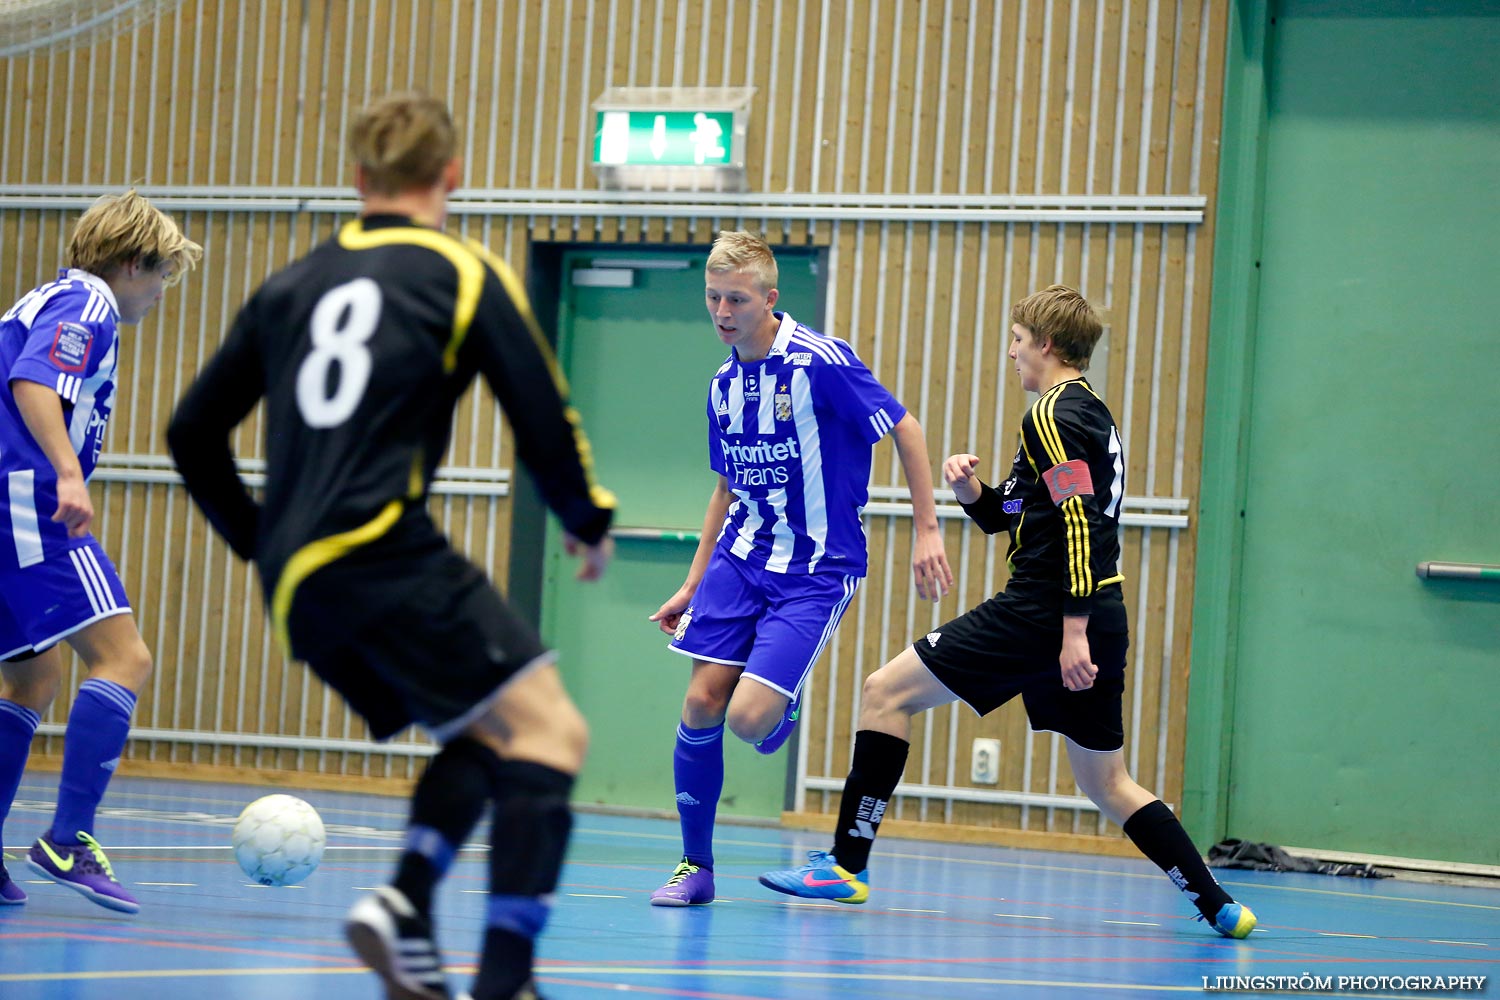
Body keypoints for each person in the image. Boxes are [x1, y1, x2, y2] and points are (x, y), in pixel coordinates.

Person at [166, 92, 615, 1000]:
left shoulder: (292, 284)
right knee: (554, 730)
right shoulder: (461, 272)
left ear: (359, 180)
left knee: (489, 731)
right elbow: (540, 411)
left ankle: (406, 907)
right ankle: (504, 980)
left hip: (299, 584)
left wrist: (264, 544)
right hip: (383, 552)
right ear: (452, 175)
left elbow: (189, 433)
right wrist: (586, 517)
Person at [757, 284, 1258, 939]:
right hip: (1094, 609)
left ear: (1046, 345)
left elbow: (1081, 523)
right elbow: (1013, 511)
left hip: (1045, 612)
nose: (1011, 353)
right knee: (1110, 782)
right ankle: (1218, 902)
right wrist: (972, 491)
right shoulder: (1081, 415)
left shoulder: (1053, 416)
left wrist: (1070, 632)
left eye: (1017, 340)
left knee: (883, 693)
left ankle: (846, 866)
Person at [645, 230, 953, 906]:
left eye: (738, 300)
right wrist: (692, 583)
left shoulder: (821, 362)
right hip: (741, 558)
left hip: (815, 569)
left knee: (748, 719)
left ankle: (774, 710)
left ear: (770, 298)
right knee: (701, 702)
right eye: (713, 298)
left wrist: (928, 530)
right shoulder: (723, 385)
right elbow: (725, 489)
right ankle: (695, 867)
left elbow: (905, 427)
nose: (723, 312)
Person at [0, 190, 202, 913]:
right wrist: (66, 471)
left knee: (32, 680)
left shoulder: (47, 297)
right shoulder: (88, 305)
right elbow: (32, 383)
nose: (160, 291)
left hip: (8, 502)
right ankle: (67, 838)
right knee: (126, 658)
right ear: (129, 263)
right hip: (28, 502)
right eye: (162, 274)